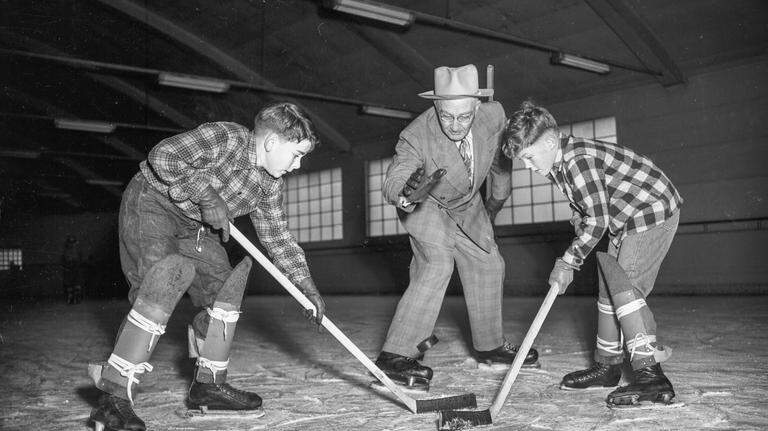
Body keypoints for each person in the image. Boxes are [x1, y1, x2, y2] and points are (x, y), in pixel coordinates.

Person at [88, 102, 327, 431]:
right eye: (296, 155)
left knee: (222, 294)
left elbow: (279, 238)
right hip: (153, 203)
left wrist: (306, 285)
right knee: (160, 283)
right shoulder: (226, 137)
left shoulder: (271, 185)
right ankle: (112, 402)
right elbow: (163, 156)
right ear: (272, 143)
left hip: (197, 227)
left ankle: (208, 387)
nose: (297, 165)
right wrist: (206, 195)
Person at [501, 101, 682, 407]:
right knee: (607, 288)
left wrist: (569, 260)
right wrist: (579, 219)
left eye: (529, 158)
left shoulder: (577, 160)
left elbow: (598, 220)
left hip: (650, 212)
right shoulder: (557, 166)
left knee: (626, 289)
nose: (529, 167)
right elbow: (586, 207)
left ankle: (652, 378)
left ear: (548, 142)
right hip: (624, 219)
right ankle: (608, 367)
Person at [376, 65, 539, 390]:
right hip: (425, 204)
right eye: (446, 116)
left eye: (463, 117)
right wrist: (404, 192)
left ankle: (489, 346)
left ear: (477, 107)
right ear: (436, 106)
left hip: (467, 203)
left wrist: (497, 198)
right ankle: (394, 357)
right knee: (437, 264)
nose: (454, 125)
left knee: (490, 264)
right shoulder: (416, 134)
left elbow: (497, 160)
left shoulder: (494, 116)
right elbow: (395, 176)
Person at [62, 235, 84, 304]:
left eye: (73, 242)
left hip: (76, 270)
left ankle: (77, 298)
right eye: (70, 242)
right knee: (69, 285)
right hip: (69, 270)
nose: (71, 244)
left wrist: (76, 263)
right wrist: (67, 265)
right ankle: (70, 298)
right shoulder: (65, 252)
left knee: (77, 285)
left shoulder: (78, 251)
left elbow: (80, 260)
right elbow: (63, 261)